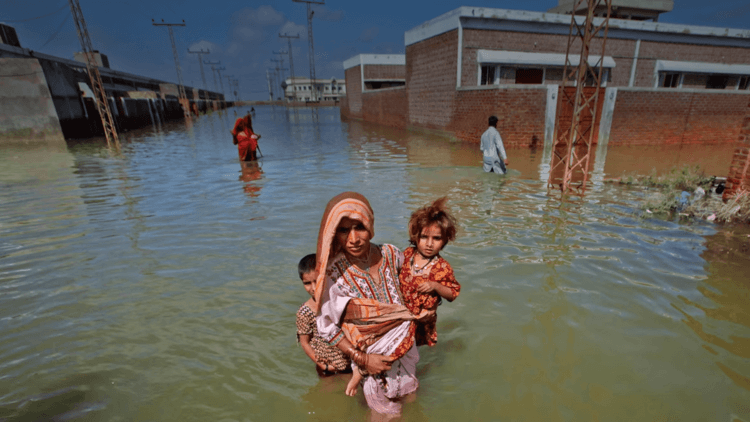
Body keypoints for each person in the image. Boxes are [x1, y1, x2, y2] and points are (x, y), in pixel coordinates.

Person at [313, 192, 434, 416]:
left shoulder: (391, 254)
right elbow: (326, 326)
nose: (353, 239)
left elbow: (414, 288)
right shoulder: (334, 273)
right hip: (370, 362)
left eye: (359, 226)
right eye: (343, 230)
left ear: (371, 224)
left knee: (412, 403)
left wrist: (428, 309)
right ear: (334, 234)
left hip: (405, 351)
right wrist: (363, 359)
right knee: (381, 413)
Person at [344, 197, 461, 395]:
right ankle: (372, 372)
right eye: (424, 237)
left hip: (420, 317)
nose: (429, 244)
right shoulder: (406, 255)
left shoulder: (442, 267)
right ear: (415, 236)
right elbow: (389, 272)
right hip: (400, 314)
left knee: (405, 348)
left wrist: (435, 286)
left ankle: (369, 374)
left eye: (437, 239)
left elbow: (453, 293)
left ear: (445, 240)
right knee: (390, 343)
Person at [296, 253, 352, 376]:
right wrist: (323, 365)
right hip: (328, 366)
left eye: (317, 281)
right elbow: (304, 342)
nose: (313, 288)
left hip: (351, 362)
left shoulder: (341, 302)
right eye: (307, 283)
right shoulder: (305, 311)